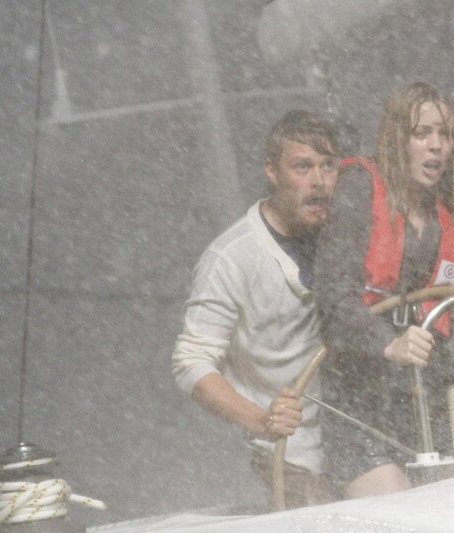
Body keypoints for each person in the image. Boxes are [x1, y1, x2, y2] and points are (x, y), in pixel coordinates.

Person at [313, 81, 454, 498]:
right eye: (422, 133)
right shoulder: (359, 188)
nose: (436, 145)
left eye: (445, 134)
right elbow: (333, 295)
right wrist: (387, 343)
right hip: (361, 396)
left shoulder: (450, 207)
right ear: (396, 140)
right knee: (402, 509)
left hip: (430, 395)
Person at [172, 110, 340, 507]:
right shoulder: (231, 257)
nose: (318, 181)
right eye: (303, 167)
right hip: (290, 455)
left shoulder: (345, 237)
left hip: (357, 439)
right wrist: (263, 421)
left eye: (328, 166)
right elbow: (190, 363)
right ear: (272, 171)